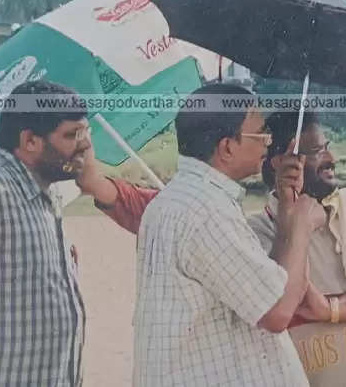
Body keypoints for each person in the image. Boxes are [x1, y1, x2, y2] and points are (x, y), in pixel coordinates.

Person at [79, 110, 346, 386]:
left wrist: (330, 309)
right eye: (317, 150)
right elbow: (276, 308)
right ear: (280, 162)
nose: (331, 157)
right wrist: (296, 228)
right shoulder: (250, 229)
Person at [126, 84, 322, 387]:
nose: (269, 143)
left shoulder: (182, 199)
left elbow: (263, 285)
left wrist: (286, 209)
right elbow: (276, 311)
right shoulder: (206, 210)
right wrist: (302, 226)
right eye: (261, 134)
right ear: (227, 147)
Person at [0, 80, 91, 387]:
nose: (85, 144)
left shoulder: (46, 195)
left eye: (85, 132)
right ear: (29, 141)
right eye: (72, 135)